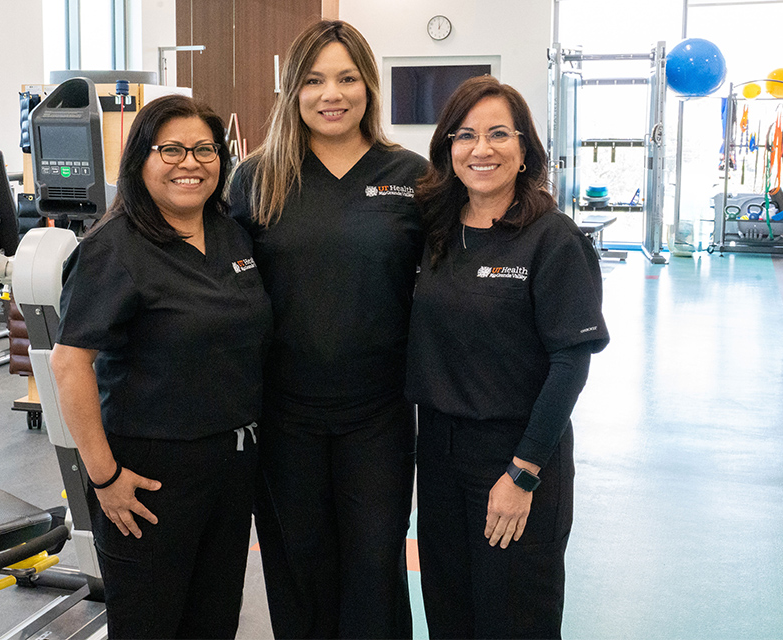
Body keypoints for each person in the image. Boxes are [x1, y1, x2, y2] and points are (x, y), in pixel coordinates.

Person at [228, 19, 426, 640]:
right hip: (285, 415)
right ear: (293, 91)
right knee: (298, 567)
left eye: (346, 78)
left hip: (379, 414)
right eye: (313, 80)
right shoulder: (258, 177)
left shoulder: (413, 176)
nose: (330, 94)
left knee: (375, 565)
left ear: (368, 86)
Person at [50, 94, 272, 639]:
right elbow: (69, 363)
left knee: (214, 619)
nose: (189, 163)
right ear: (140, 160)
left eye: (204, 149)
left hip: (232, 464)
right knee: (151, 624)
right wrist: (104, 477)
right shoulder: (114, 247)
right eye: (170, 149)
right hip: (148, 475)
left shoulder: (230, 232)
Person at [406, 75, 610, 639]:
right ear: (448, 148)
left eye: (499, 134)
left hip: (516, 452)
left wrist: (522, 473)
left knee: (514, 618)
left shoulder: (552, 238)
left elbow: (571, 363)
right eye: (466, 135)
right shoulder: (437, 233)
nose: (482, 149)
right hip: (439, 452)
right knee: (450, 612)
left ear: (525, 151)